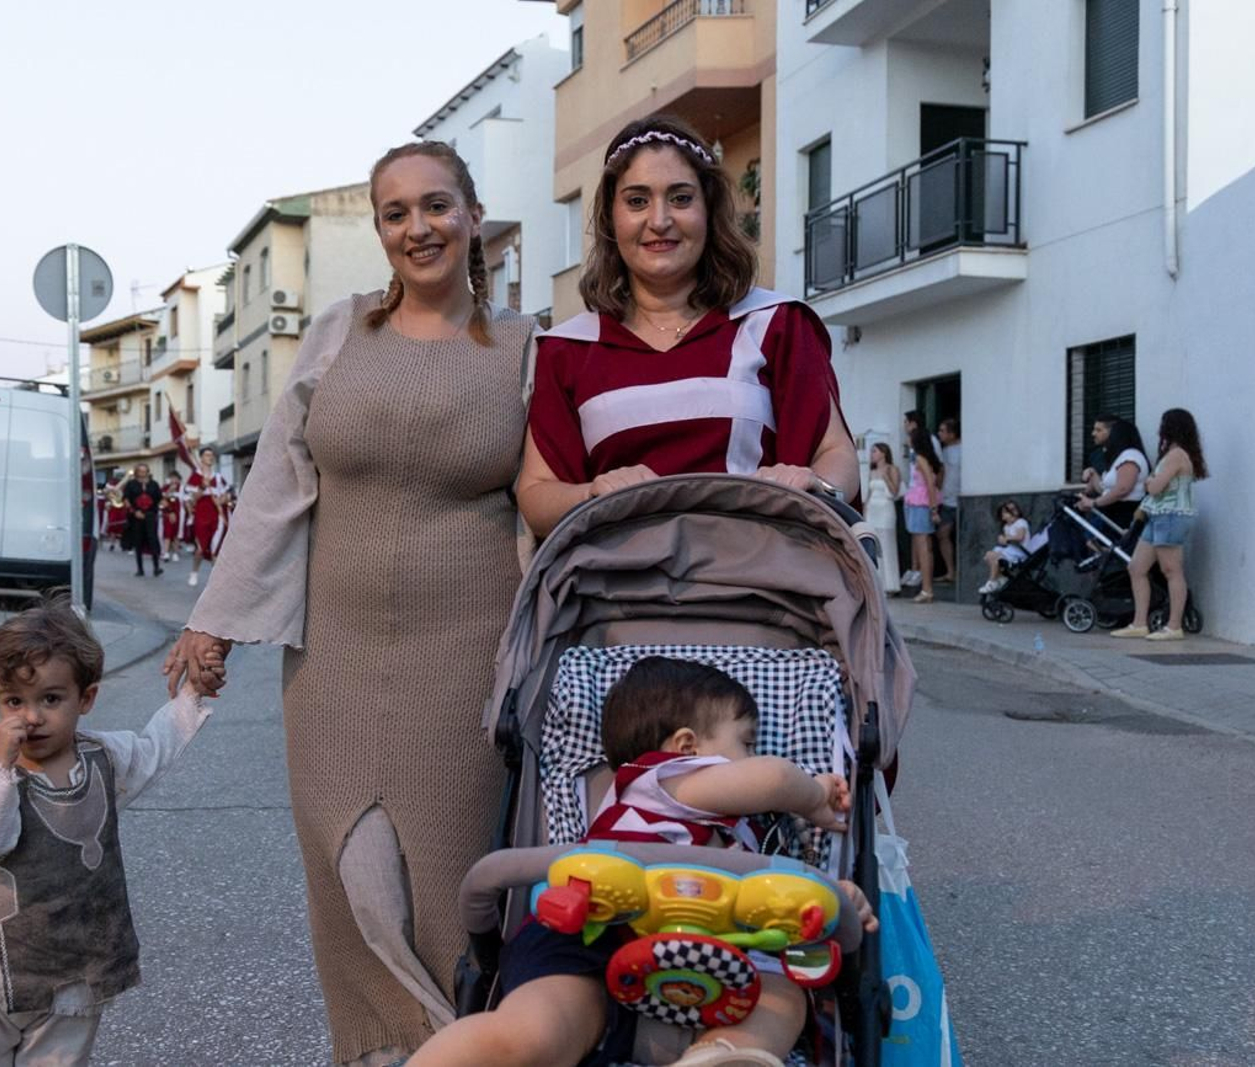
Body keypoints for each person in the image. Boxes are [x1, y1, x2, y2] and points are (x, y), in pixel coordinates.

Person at [162, 140, 538, 1066]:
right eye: (395, 212)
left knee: (452, 890)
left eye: (437, 206)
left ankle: (456, 1048)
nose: (419, 228)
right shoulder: (339, 331)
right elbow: (276, 489)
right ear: (379, 228)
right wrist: (214, 618)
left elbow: (546, 503)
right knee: (350, 877)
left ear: (474, 216)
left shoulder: (532, 349)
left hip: (466, 665)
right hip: (332, 665)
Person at [409, 657, 878, 1067]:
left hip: (727, 966)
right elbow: (774, 778)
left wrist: (834, 897)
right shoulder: (663, 784)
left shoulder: (749, 836)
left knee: (784, 997)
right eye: (746, 744)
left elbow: (786, 900)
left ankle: (721, 1056)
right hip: (596, 938)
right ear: (687, 748)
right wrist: (812, 794)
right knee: (534, 1034)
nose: (755, 758)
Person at [517, 115, 859, 540]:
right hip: (617, 594)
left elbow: (836, 453)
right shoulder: (566, 350)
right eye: (637, 201)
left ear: (709, 210)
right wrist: (592, 493)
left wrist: (816, 485)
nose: (659, 220)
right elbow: (535, 493)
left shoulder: (775, 324)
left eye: (680, 198)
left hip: (761, 588)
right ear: (611, 218)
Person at [0, 595, 214, 1065]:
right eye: (14, 701)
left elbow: (154, 748)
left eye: (50, 698)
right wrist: (2, 770)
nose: (31, 717)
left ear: (85, 699)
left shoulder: (101, 761)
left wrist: (194, 694)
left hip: (75, 972)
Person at [1111, 408, 1208, 641]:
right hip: (1159, 515)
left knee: (1171, 570)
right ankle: (1139, 623)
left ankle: (1174, 626)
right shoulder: (1173, 454)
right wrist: (1151, 483)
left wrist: (1151, 482)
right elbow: (1154, 486)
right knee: (1136, 568)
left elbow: (1154, 487)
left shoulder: (1176, 456)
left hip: (1172, 515)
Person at [1076, 415, 1149, 531]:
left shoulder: (1130, 456)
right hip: (1112, 513)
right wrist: (1093, 474)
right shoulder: (1118, 458)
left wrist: (1094, 503)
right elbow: (1104, 489)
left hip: (1123, 515)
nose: (1093, 434)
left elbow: (1122, 489)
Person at [903, 424, 944, 603]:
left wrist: (933, 508)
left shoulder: (920, 458)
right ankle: (927, 588)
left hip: (920, 503)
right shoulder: (921, 458)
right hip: (919, 501)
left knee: (923, 547)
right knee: (925, 547)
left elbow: (929, 482)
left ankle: (927, 589)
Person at [185, 446, 231, 588]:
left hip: (217, 516)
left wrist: (222, 500)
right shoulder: (195, 477)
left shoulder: (218, 477)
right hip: (201, 516)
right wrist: (202, 488)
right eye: (207, 455)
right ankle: (194, 571)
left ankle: (216, 583)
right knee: (200, 549)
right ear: (201, 458)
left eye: (211, 455)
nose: (210, 457)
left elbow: (227, 495)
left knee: (215, 550)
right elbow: (191, 500)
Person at [866, 443, 902, 595]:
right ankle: (877, 582)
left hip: (886, 509)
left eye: (874, 451)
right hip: (873, 509)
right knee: (875, 546)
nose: (872, 454)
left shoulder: (892, 469)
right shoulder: (872, 471)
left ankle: (891, 585)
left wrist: (886, 477)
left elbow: (895, 492)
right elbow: (868, 493)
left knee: (887, 545)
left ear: (883, 453)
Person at [978, 499, 1031, 594]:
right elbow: (1006, 543)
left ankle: (992, 582)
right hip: (1011, 550)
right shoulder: (1006, 527)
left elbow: (1020, 537)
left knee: (995, 556)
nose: (1012, 513)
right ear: (1003, 517)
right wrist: (1003, 540)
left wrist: (1007, 538)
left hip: (1020, 553)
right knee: (989, 555)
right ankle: (1000, 577)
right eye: (1008, 512)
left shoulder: (1021, 522)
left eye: (1014, 509)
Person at [122, 463, 164, 577]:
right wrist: (134, 511)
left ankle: (156, 567)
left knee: (153, 540)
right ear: (137, 472)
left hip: (151, 515)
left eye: (145, 471)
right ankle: (140, 569)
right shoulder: (131, 484)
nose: (143, 474)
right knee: (138, 542)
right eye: (140, 471)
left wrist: (169, 510)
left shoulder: (154, 485)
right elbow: (126, 500)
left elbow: (160, 499)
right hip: (136, 517)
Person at [935, 417, 961, 583]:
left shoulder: (966, 448)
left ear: (952, 433)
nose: (939, 434)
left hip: (960, 497)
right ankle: (951, 572)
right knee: (943, 534)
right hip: (947, 499)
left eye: (943, 431)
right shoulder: (942, 451)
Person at [160, 472, 184, 563]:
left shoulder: (182, 488)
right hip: (167, 513)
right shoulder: (165, 488)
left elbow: (186, 501)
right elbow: (162, 499)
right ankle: (166, 553)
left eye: (175, 478)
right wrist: (169, 490)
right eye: (171, 478)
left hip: (180, 513)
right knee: (167, 532)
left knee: (177, 534)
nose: (173, 480)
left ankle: (175, 553)